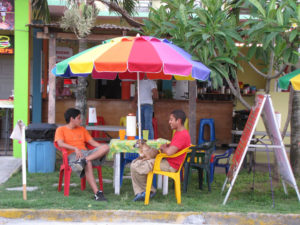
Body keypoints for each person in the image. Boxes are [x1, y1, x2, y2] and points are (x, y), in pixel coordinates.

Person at [130, 109, 191, 201]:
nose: (169, 122)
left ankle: (149, 191)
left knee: (136, 166)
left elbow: (169, 152)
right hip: (167, 161)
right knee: (134, 164)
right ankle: (142, 192)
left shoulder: (182, 135)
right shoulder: (179, 132)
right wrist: (167, 146)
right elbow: (174, 148)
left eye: (171, 119)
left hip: (170, 165)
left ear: (178, 121)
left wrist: (163, 148)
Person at [54, 108, 109, 201]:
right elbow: (60, 143)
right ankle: (97, 193)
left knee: (106, 147)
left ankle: (84, 160)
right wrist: (75, 148)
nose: (81, 120)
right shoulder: (61, 129)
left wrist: (101, 149)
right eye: (79, 118)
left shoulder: (82, 129)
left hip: (86, 153)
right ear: (72, 119)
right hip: (73, 156)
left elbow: (92, 142)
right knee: (88, 163)